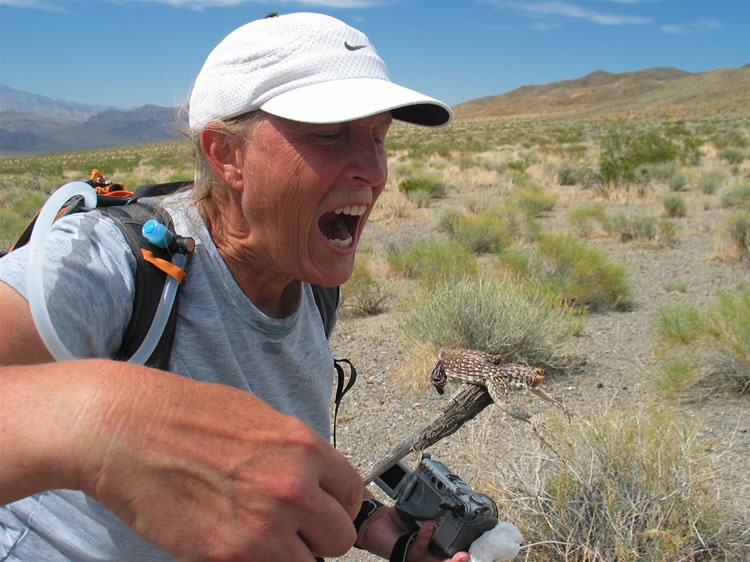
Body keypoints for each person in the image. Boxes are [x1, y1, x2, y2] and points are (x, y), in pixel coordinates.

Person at [0, 12, 466, 562]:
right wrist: (110, 423)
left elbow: (252, 470)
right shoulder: (111, 264)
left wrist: (368, 523)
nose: (373, 169)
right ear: (226, 154)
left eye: (378, 137)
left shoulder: (310, 287)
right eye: (330, 135)